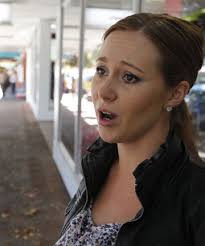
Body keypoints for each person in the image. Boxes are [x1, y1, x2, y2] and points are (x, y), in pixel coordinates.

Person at [54, 13, 205, 246]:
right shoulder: (98, 167)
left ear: (175, 94)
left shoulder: (195, 199)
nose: (103, 91)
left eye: (129, 77)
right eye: (102, 70)